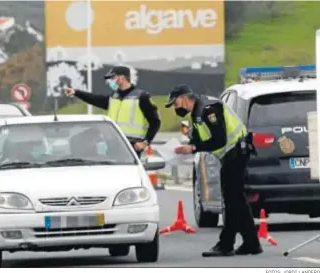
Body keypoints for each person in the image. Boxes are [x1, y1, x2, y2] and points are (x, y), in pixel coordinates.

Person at [165, 84, 262, 257]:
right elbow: (199, 138)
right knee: (236, 199)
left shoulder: (209, 109)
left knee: (232, 200)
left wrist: (194, 148)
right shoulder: (197, 113)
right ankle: (251, 243)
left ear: (184, 97)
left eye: (175, 102)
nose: (175, 107)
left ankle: (226, 244)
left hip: (236, 152)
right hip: (232, 154)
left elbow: (220, 139)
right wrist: (186, 147)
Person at [64, 65, 161, 157]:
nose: (112, 81)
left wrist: (145, 142)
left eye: (113, 78)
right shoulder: (113, 97)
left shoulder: (142, 97)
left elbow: (155, 122)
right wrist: (76, 92)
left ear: (122, 78)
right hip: (113, 145)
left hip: (131, 147)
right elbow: (94, 99)